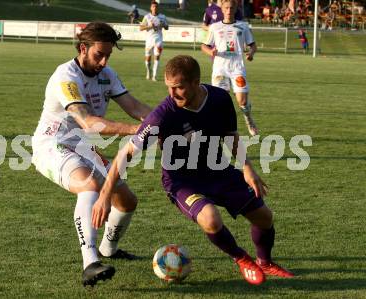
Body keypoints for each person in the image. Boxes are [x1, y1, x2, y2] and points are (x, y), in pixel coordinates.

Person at [93, 55, 294, 285]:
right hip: (182, 182)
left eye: (178, 87)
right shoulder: (162, 115)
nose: (172, 94)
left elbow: (230, 137)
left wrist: (247, 167)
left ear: (196, 82)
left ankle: (265, 262)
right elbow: (125, 154)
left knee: (265, 218)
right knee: (210, 218)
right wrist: (105, 195)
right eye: (169, 87)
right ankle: (241, 258)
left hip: (218, 171)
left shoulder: (219, 98)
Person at [31, 22, 152, 287]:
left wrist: (162, 122)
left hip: (84, 147)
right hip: (52, 144)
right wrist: (139, 131)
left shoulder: (107, 74)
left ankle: (109, 249)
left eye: (108, 55)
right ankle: (90, 263)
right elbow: (88, 122)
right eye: (99, 54)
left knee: (127, 202)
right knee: (90, 187)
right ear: (83, 48)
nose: (104, 61)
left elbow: (133, 106)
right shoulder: (67, 76)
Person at [201, 0, 259, 136]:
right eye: (226, 8)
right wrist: (210, 52)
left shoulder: (243, 26)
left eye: (231, 8)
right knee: (221, 100)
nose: (228, 11)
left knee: (242, 101)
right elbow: (204, 45)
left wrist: (251, 53)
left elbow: (253, 45)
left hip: (237, 68)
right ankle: (222, 129)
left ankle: (248, 119)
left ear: (236, 8)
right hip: (220, 69)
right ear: (222, 8)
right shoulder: (214, 27)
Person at [140, 1, 169, 81]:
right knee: (148, 59)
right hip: (149, 40)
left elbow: (167, 27)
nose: (155, 8)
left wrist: (163, 25)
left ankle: (154, 76)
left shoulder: (162, 17)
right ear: (151, 8)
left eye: (156, 7)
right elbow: (141, 28)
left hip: (158, 39)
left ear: (158, 8)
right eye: (153, 7)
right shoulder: (147, 17)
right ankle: (149, 71)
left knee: (157, 57)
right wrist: (149, 26)